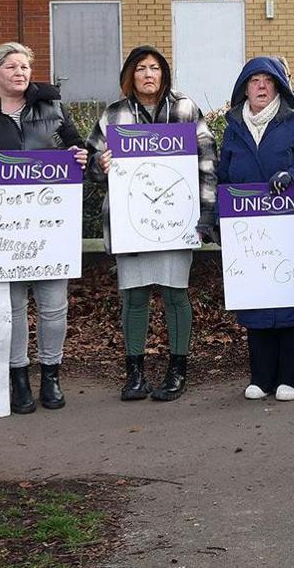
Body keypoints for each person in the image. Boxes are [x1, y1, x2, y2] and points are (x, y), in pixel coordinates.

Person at [0, 42, 88, 415]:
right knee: (11, 308)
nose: (20, 73)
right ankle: (19, 377)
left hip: (49, 227)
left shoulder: (52, 107)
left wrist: (79, 155)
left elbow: (74, 145)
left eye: (25, 66)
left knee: (53, 306)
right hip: (2, 230)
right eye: (11, 66)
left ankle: (51, 375)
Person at [89, 46, 216, 403]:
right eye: (141, 68)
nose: (148, 74)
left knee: (176, 294)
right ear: (130, 75)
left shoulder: (185, 109)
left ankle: (178, 370)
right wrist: (101, 165)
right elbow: (90, 169)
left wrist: (206, 215)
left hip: (178, 220)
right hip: (131, 223)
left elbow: (208, 161)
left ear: (164, 74)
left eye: (155, 68)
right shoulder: (113, 115)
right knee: (134, 297)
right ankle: (135, 373)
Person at [219, 56, 294, 402]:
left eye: (267, 81)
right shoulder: (233, 129)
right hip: (250, 232)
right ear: (244, 87)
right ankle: (262, 376)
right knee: (256, 296)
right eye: (253, 80)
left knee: (292, 297)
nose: (260, 86)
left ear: (278, 87)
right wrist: (218, 218)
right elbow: (225, 178)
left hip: (292, 229)